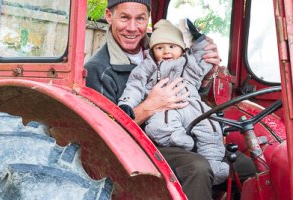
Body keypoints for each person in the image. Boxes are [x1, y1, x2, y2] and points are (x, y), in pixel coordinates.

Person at [85, 1, 257, 199]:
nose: (132, 28)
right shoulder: (99, 70)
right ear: (109, 16)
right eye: (124, 17)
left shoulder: (162, 45)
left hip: (186, 128)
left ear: (148, 19)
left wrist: (207, 73)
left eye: (140, 18)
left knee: (248, 167)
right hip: (144, 144)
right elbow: (104, 137)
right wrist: (149, 107)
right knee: (197, 168)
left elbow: (189, 88)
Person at [118, 19, 229, 185]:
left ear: (182, 49)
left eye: (172, 46)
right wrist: (126, 104)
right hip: (164, 111)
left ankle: (214, 165)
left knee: (210, 128)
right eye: (160, 47)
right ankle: (178, 140)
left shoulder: (188, 64)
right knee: (158, 126)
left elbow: (203, 57)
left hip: (191, 107)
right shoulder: (149, 66)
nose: (166, 52)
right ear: (152, 50)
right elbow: (135, 85)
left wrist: (199, 39)